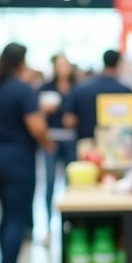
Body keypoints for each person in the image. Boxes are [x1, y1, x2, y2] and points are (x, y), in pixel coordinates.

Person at [0, 43, 54, 263]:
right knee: (18, 217)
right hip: (17, 158)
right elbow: (36, 127)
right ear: (21, 62)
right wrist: (48, 144)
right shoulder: (23, 91)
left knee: (6, 212)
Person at [37, 54, 77, 244]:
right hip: (52, 139)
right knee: (50, 182)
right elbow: (36, 114)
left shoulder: (77, 88)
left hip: (71, 140)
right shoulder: (45, 88)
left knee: (72, 182)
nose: (62, 68)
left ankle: (72, 225)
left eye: (65, 64)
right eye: (59, 64)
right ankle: (48, 229)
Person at [63, 49, 132, 144]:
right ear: (118, 63)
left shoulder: (81, 89)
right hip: (117, 145)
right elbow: (130, 124)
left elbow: (69, 121)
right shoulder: (125, 91)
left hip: (86, 144)